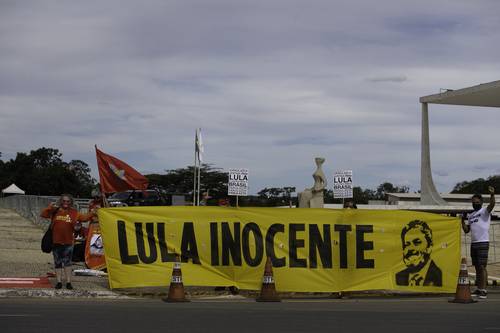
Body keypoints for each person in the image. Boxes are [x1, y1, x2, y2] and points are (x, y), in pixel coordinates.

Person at [40, 194, 94, 290]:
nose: (65, 203)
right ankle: (59, 282)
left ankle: (68, 282)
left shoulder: (74, 212)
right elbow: (43, 214)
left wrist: (93, 212)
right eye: (64, 201)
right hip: (56, 241)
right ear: (61, 201)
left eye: (68, 201)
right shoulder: (55, 211)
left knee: (67, 263)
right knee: (57, 262)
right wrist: (50, 207)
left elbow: (84, 218)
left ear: (71, 202)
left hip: (68, 242)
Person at [461, 186, 495, 299]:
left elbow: (492, 205)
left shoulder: (484, 211)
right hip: (474, 243)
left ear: (481, 202)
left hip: (483, 242)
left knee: (482, 266)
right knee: (476, 267)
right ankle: (479, 288)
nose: (474, 203)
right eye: (473, 202)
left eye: (476, 202)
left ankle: (484, 290)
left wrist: (492, 195)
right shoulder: (471, 215)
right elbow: (466, 230)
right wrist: (462, 220)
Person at [395, 220, 442, 286]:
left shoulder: (439, 275)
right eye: (407, 244)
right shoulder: (399, 276)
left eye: (417, 242)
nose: (410, 248)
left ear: (429, 247)